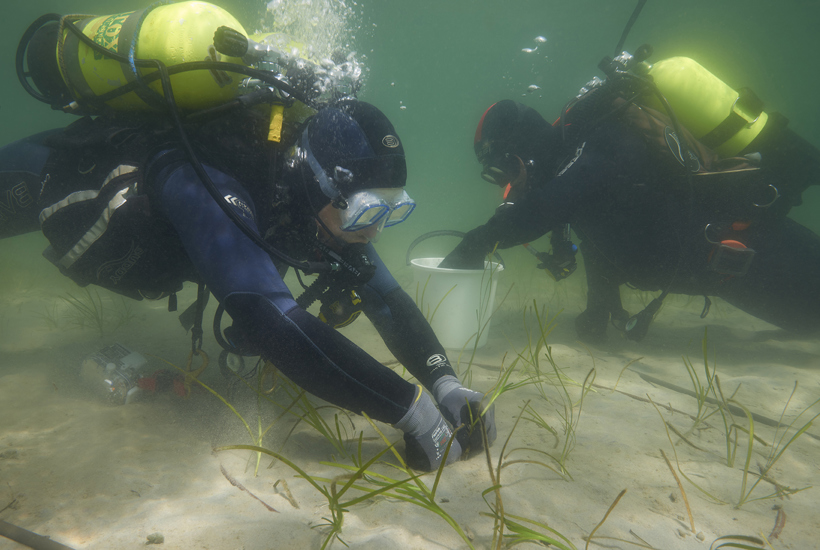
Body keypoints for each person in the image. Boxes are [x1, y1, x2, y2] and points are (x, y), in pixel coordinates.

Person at [1, 16, 496, 472]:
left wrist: (445, 383)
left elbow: (386, 297)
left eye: (391, 210)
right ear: (317, 183)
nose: (373, 231)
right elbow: (267, 316)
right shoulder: (206, 179)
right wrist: (408, 410)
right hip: (39, 178)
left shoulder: (319, 206)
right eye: (366, 209)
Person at [440, 80, 820, 342]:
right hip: (731, 275)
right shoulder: (575, 170)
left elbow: (553, 203)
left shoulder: (598, 141)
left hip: (762, 254)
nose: (509, 183)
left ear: (524, 151)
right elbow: (600, 233)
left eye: (506, 169)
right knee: (807, 324)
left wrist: (481, 240)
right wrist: (600, 305)